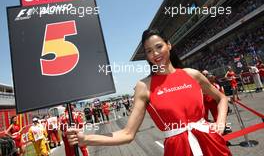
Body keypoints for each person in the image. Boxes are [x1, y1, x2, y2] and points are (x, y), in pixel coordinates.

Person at [66, 29, 231, 156]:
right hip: (178, 149)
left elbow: (221, 98)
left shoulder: (192, 74)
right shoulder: (144, 86)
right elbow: (127, 133)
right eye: (149, 51)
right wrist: (86, 139)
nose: (155, 54)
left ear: (169, 45)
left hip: (211, 141)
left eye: (159, 47)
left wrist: (220, 124)